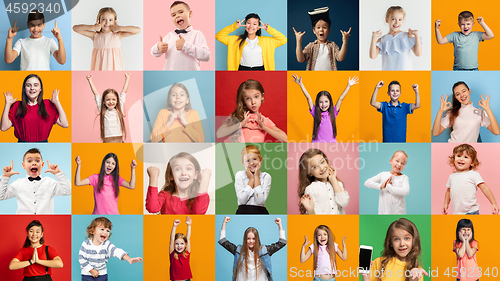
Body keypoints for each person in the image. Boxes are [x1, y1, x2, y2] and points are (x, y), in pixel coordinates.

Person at [1, 74, 69, 142]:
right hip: (22, 145)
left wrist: (57, 102)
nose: (32, 88)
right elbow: (4, 128)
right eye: (28, 85)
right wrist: (7, 104)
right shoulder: (17, 105)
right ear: (24, 89)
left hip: (43, 144)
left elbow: (64, 124)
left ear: (40, 89)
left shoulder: (48, 105)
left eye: (35, 85)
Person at [0, 148, 70, 214]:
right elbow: (1, 196)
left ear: (42, 164)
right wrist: (6, 177)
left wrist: (58, 173)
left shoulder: (50, 182)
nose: (34, 163)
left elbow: (68, 190)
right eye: (29, 161)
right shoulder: (18, 184)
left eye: (37, 161)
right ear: (23, 165)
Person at [292, 73, 358, 142]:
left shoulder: (333, 112)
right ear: (317, 103)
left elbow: (341, 98)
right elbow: (308, 97)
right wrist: (301, 85)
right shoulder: (315, 112)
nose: (323, 104)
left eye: (326, 101)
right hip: (317, 144)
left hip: (331, 144)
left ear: (330, 102)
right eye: (321, 102)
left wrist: (349, 86)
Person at [216, 79, 287, 142]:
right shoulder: (237, 116)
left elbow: (285, 138)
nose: (253, 102)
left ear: (262, 97)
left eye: (256, 96)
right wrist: (241, 124)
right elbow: (219, 134)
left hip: (254, 155)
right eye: (248, 98)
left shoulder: (264, 121)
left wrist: (264, 127)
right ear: (243, 101)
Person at [218, 216, 286, 281]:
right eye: (248, 238)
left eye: (253, 239)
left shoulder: (264, 251)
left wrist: (280, 225)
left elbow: (282, 243)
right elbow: (222, 241)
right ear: (245, 239)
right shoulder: (239, 251)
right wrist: (224, 224)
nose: (251, 241)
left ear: (257, 239)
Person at [73, 7, 141, 70]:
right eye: (104, 19)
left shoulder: (118, 35)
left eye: (110, 20)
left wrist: (120, 28)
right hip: (99, 69)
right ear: (99, 20)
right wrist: (92, 27)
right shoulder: (95, 36)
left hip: (115, 69)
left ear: (115, 21)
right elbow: (75, 28)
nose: (107, 22)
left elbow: (138, 30)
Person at [361, 218, 428, 281]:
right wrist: (365, 275)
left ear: (413, 241)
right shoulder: (379, 263)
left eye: (407, 238)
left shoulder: (417, 271)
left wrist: (413, 280)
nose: (402, 244)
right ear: (390, 243)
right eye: (396, 239)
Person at [151, 1, 210, 70]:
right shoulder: (169, 36)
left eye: (181, 12)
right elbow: (153, 53)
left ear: (190, 14)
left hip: (189, 76)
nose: (177, 16)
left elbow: (206, 56)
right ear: (171, 19)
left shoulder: (197, 34)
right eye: (173, 15)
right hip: (170, 76)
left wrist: (185, 45)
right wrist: (158, 47)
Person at [432, 81, 499, 142]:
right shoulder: (451, 113)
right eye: (458, 94)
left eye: (464, 91)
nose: (462, 95)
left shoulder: (479, 112)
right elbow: (435, 133)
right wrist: (440, 111)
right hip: (453, 149)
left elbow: (496, 132)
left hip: (469, 151)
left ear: (469, 91)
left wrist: (488, 110)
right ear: (455, 97)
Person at [216, 13, 286, 70]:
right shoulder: (235, 40)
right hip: (242, 69)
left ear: (258, 27)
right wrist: (234, 26)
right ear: (245, 24)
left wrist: (269, 29)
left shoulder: (267, 41)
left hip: (260, 70)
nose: (251, 26)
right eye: (248, 23)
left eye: (255, 24)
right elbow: (218, 36)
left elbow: (283, 39)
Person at [146, 152, 211, 214]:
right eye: (178, 169)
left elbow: (198, 212)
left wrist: (204, 182)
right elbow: (152, 209)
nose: (183, 173)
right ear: (171, 176)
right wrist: (153, 178)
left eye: (188, 169)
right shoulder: (165, 196)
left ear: (195, 175)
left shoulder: (199, 197)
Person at [442, 144, 499, 215]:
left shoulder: (474, 175)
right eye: (458, 156)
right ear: (454, 159)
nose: (461, 159)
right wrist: (445, 204)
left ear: (472, 162)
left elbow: (484, 188)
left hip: (472, 211)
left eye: (466, 157)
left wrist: (493, 203)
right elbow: (448, 191)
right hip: (457, 212)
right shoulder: (452, 177)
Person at [298, 148, 349, 215]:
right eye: (315, 167)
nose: (322, 168)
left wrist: (333, 180)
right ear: (309, 173)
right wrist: (310, 209)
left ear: (327, 161)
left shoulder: (337, 184)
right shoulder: (311, 189)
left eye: (322, 162)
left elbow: (344, 202)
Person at [369, 6, 422, 70]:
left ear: (402, 21)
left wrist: (417, 35)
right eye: (393, 19)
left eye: (400, 19)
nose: (397, 22)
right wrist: (374, 38)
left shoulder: (406, 36)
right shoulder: (382, 40)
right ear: (386, 20)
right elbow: (372, 56)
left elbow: (418, 53)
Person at [86, 73, 130, 143]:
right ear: (103, 102)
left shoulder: (119, 109)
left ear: (117, 101)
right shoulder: (103, 110)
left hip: (120, 144)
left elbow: (124, 91)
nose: (111, 102)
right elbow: (96, 94)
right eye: (108, 100)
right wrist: (90, 81)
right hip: (107, 144)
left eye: (113, 99)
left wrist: (127, 78)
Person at [364, 150, 410, 214]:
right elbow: (367, 182)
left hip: (398, 213)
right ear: (391, 161)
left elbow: (406, 191)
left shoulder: (404, 178)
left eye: (403, 163)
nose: (399, 164)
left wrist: (389, 187)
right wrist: (380, 186)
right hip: (384, 212)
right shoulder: (383, 175)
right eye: (397, 161)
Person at [235, 145, 271, 214]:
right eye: (248, 161)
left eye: (254, 159)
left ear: (260, 160)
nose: (251, 163)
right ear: (243, 163)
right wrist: (251, 179)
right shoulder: (239, 175)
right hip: (243, 212)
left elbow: (260, 201)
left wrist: (256, 177)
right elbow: (242, 200)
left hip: (260, 212)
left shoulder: (266, 176)